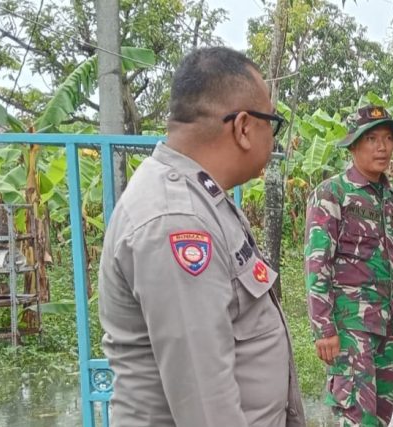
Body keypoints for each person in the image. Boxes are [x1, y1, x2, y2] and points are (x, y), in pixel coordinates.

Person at [97, 46, 304, 427]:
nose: (272, 140)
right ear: (243, 127)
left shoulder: (203, 199)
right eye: (270, 125)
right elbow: (207, 409)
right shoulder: (177, 221)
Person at [305, 105, 393, 426]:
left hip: (386, 329)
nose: (382, 147)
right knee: (357, 416)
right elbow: (317, 264)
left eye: (388, 139)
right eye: (372, 139)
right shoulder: (332, 194)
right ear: (353, 145)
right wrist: (324, 329)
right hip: (351, 329)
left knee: (381, 416)